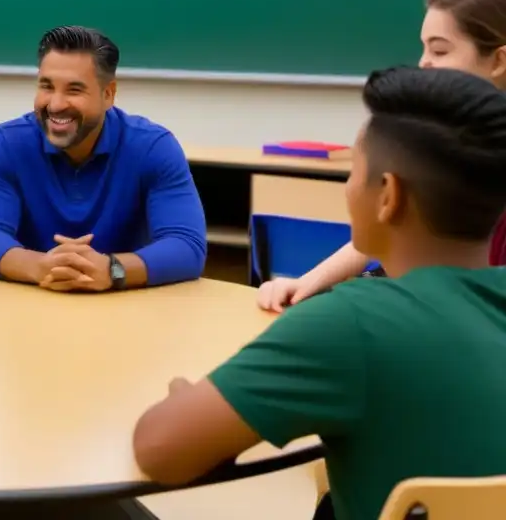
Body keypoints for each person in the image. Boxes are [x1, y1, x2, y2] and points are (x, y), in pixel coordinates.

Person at [133, 65, 506, 520]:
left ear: (388, 196)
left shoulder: (354, 323)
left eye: (354, 172)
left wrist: (181, 396)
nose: (347, 188)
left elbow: (160, 450)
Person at [258, 0, 506, 313]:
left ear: (499, 61)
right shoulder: (438, 138)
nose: (424, 63)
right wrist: (311, 280)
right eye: (424, 48)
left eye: (440, 50)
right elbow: (390, 227)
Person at [0, 25, 207, 292]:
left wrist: (112, 270)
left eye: (74, 90)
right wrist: (40, 266)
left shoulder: (153, 147)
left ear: (108, 94)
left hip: (127, 308)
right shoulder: (7, 143)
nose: (55, 104)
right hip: (30, 302)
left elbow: (186, 246)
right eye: (47, 86)